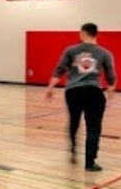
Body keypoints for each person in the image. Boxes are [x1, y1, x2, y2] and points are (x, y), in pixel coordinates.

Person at [45, 22, 117, 172]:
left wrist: (51, 87)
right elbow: (110, 75)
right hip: (94, 92)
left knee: (74, 122)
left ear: (83, 33)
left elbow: (59, 69)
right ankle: (90, 163)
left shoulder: (71, 50)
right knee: (93, 127)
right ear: (96, 34)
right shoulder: (104, 53)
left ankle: (72, 148)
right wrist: (110, 89)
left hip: (73, 91)